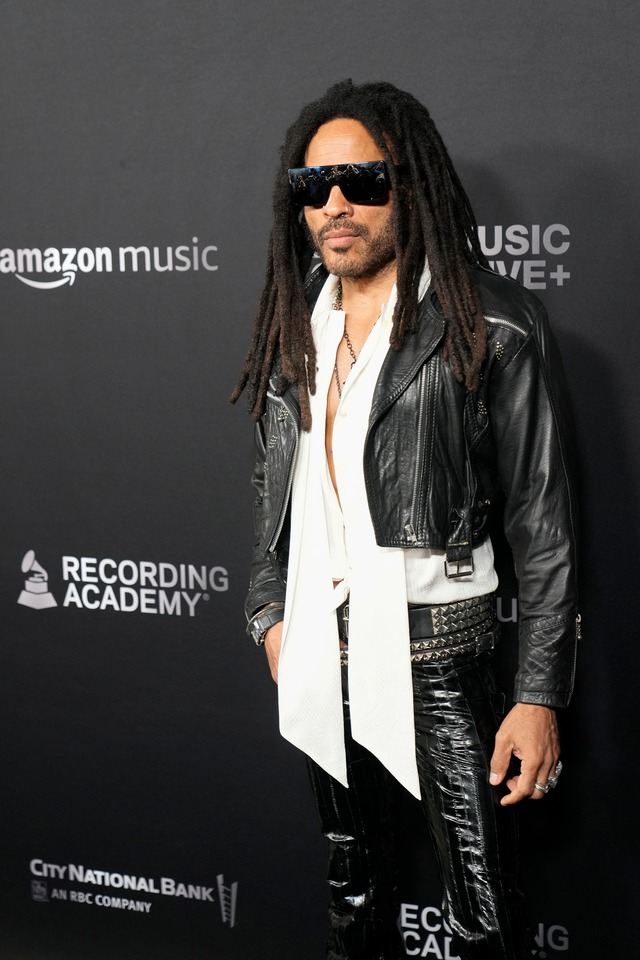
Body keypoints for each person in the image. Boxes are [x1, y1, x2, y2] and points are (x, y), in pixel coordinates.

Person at [231, 79, 579, 960]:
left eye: (362, 180)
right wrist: (270, 613)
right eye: (313, 188)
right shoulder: (294, 324)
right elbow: (279, 491)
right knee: (353, 891)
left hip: (445, 662)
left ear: (410, 184)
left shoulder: (490, 323)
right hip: (322, 648)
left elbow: (544, 522)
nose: (335, 204)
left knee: (481, 912)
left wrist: (538, 692)